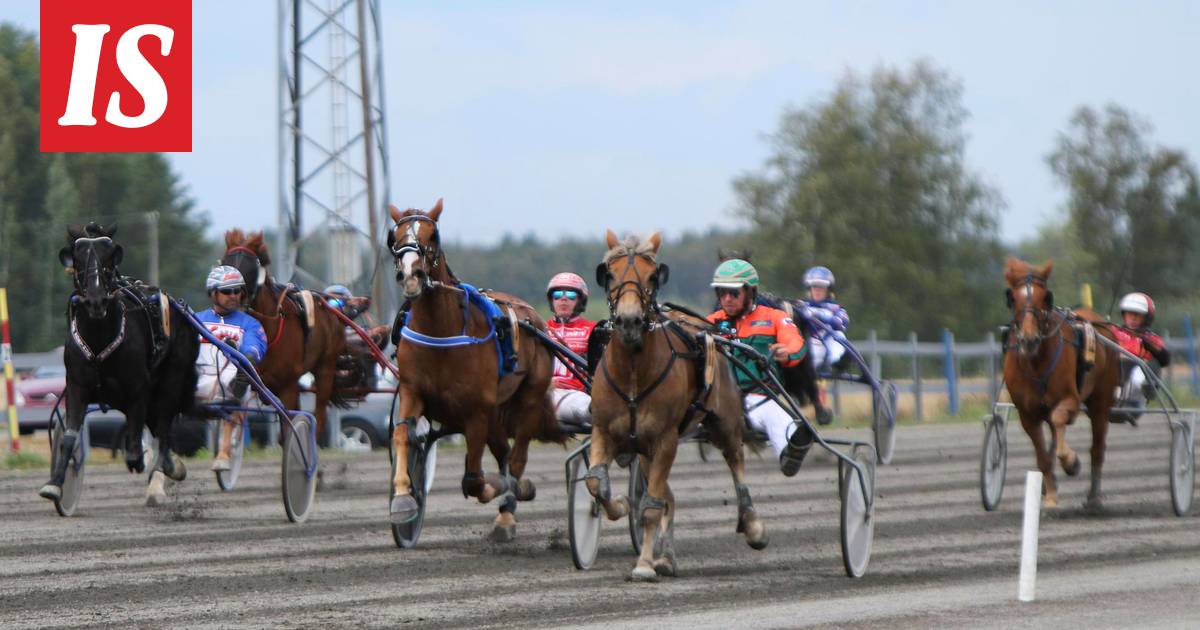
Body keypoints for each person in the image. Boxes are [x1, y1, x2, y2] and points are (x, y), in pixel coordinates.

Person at [707, 259, 815, 476]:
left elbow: (796, 343)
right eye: (721, 293)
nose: (726, 299)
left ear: (750, 292)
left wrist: (788, 353)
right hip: (717, 400)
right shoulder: (711, 321)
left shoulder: (774, 317)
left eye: (734, 293)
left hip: (761, 397)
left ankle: (791, 450)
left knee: (777, 419)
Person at [195, 265, 268, 471]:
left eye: (238, 291)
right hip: (197, 376)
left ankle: (224, 452)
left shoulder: (250, 324)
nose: (234, 295)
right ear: (213, 293)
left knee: (238, 385)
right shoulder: (196, 319)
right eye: (227, 291)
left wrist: (248, 355)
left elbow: (255, 347)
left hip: (231, 377)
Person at [544, 272, 597, 429]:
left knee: (592, 410)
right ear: (552, 300)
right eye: (558, 294)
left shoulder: (592, 330)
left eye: (571, 295)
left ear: (581, 301)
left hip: (576, 395)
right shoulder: (539, 328)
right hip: (539, 393)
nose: (563, 299)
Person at [1112, 292, 1170, 402]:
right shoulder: (1114, 331)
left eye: (1137, 315)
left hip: (1137, 381)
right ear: (1124, 315)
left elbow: (1165, 360)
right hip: (1113, 369)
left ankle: (1119, 396)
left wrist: (1149, 346)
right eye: (1129, 314)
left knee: (1136, 376)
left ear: (1146, 318)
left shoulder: (1151, 338)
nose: (1133, 318)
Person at [799, 266, 850, 372]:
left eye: (821, 287)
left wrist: (823, 316)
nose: (817, 290)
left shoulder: (836, 308)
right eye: (814, 287)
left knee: (839, 336)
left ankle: (837, 363)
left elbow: (841, 323)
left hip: (827, 342)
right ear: (809, 289)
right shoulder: (801, 305)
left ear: (828, 290)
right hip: (807, 344)